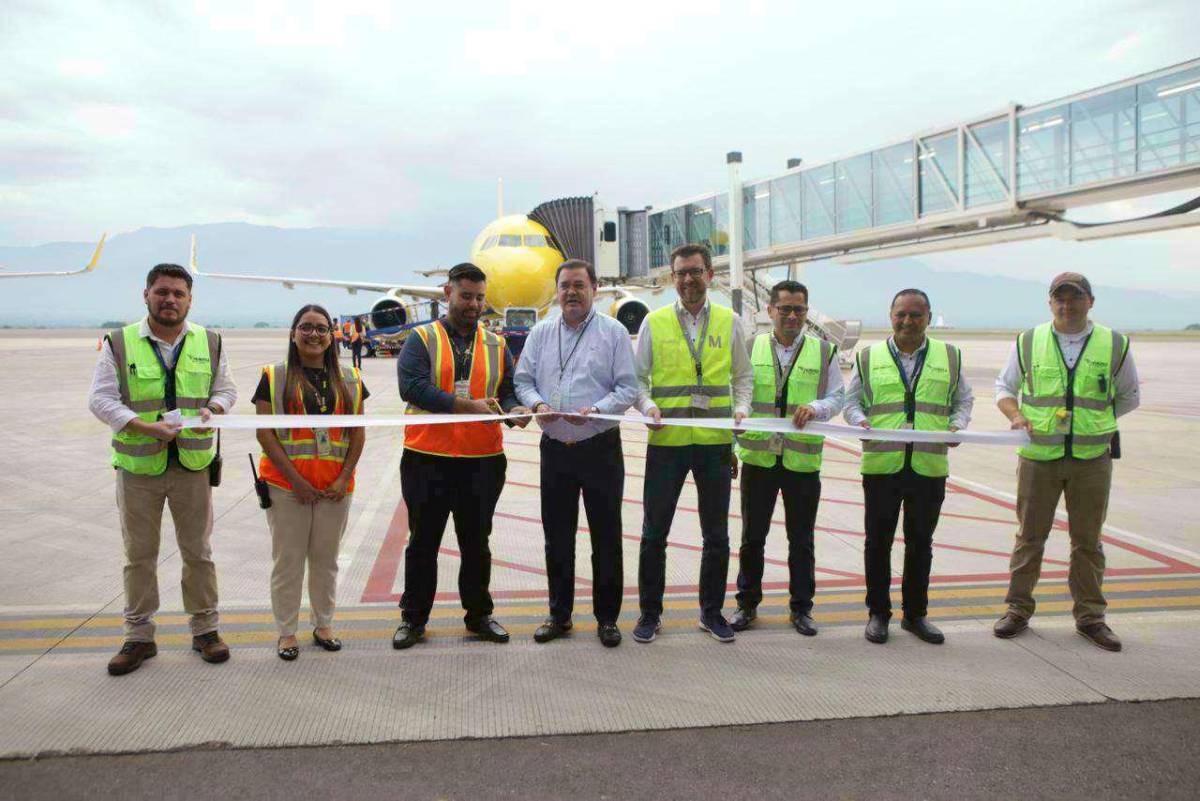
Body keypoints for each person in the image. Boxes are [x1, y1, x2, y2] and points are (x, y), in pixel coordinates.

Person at [87, 263, 237, 675]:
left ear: (189, 300)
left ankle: (205, 630)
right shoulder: (119, 343)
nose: (170, 299)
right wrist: (141, 426)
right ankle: (138, 636)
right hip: (139, 468)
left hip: (192, 466)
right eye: (162, 292)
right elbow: (100, 399)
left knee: (198, 553)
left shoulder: (210, 341)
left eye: (178, 293)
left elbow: (226, 390)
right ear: (146, 295)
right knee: (139, 555)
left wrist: (214, 407)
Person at [992, 273, 1138, 652]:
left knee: (1088, 542)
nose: (1067, 305)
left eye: (1075, 298)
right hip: (1039, 457)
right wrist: (1016, 416)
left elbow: (1129, 396)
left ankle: (1090, 618)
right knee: (1029, 538)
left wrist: (1094, 425)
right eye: (1060, 298)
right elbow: (1004, 388)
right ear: (1050, 302)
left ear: (1091, 302)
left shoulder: (1114, 343)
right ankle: (1017, 610)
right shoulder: (1029, 341)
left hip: (1091, 459)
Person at [392, 263, 531, 649]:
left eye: (480, 297)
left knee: (476, 543)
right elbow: (412, 387)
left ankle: (479, 615)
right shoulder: (422, 338)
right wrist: (465, 406)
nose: (473, 304)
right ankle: (413, 619)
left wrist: (515, 410)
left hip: (482, 460)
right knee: (423, 543)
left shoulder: (496, 344)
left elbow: (506, 391)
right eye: (466, 295)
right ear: (448, 293)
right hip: (427, 458)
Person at [514, 259, 638, 647]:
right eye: (565, 285)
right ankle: (559, 615)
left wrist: (597, 410)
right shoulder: (540, 333)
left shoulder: (614, 333)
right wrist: (536, 405)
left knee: (606, 536)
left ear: (594, 289)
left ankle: (607, 619)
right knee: (557, 536)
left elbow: (628, 388)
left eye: (579, 285)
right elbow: (523, 380)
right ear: (557, 291)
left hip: (600, 448)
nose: (571, 292)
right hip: (555, 450)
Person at [632, 243, 753, 644]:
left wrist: (742, 411)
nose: (688, 279)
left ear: (709, 275)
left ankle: (711, 612)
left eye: (695, 271)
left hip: (714, 444)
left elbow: (743, 377)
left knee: (716, 536)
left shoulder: (730, 321)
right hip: (666, 442)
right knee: (654, 533)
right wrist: (648, 407)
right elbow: (637, 379)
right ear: (672, 278)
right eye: (681, 273)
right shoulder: (654, 322)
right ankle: (650, 613)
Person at [843, 289, 973, 645]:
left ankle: (915, 615)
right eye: (901, 314)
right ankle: (878, 613)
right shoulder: (868, 357)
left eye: (916, 315)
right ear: (891, 315)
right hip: (882, 465)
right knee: (877, 543)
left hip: (928, 465)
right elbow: (851, 402)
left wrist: (957, 426)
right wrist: (859, 421)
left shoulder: (950, 356)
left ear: (928, 317)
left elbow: (963, 400)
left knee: (920, 544)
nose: (908, 321)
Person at [730, 280, 845, 636]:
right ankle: (747, 604)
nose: (792, 316)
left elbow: (837, 397)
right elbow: (736, 398)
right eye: (785, 309)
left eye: (799, 309)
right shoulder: (750, 346)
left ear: (806, 313)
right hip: (759, 460)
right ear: (770, 311)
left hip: (801, 463)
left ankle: (801, 608)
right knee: (752, 538)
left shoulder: (824, 352)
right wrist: (731, 447)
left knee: (802, 540)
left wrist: (817, 407)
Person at [254, 304, 367, 661]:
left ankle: (324, 625)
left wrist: (344, 477)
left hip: (335, 488)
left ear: (332, 335)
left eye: (321, 328)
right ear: (293, 333)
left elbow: (358, 433)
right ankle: (287, 632)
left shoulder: (351, 379)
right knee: (288, 562)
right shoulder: (274, 376)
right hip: (286, 488)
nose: (314, 334)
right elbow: (265, 433)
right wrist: (296, 481)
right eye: (306, 327)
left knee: (325, 561)